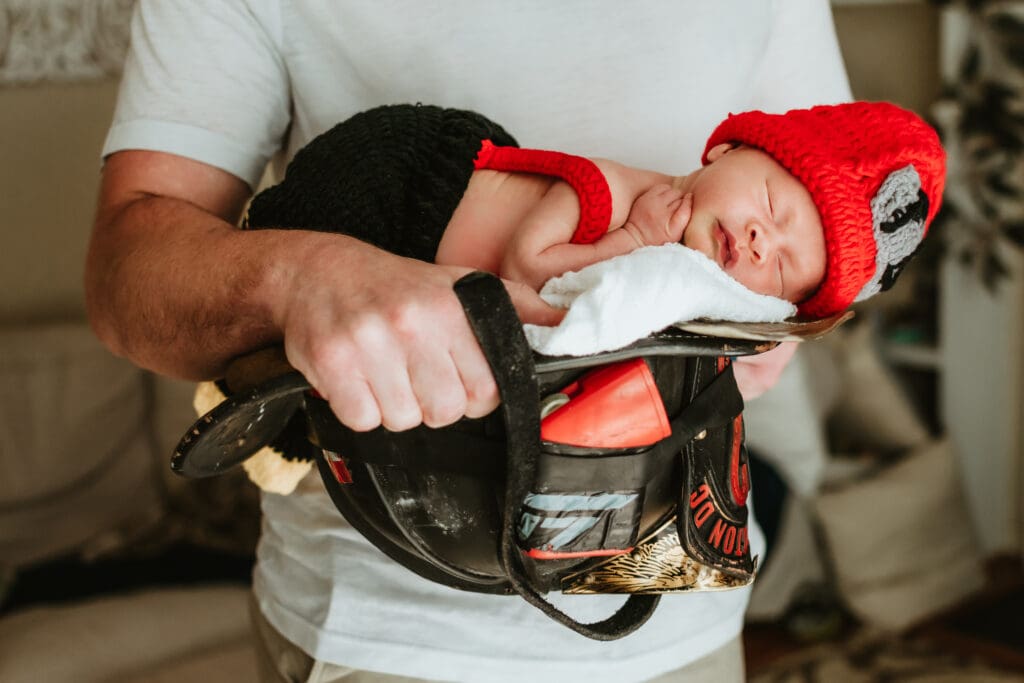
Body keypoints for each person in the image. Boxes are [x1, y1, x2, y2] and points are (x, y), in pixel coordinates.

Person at [86, 2, 859, 681]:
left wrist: (777, 324)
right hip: (395, 640)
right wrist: (305, 278)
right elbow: (126, 278)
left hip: (682, 621)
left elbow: (834, 251)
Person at [249, 100, 943, 316]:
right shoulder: (617, 195)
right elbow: (530, 267)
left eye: (787, 269)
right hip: (401, 179)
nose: (764, 241)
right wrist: (635, 237)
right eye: (771, 203)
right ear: (725, 150)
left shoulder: (670, 282)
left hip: (413, 259)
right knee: (288, 281)